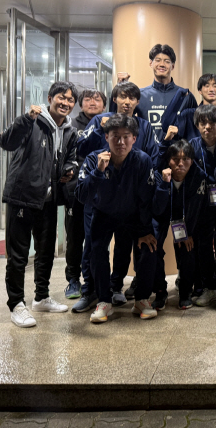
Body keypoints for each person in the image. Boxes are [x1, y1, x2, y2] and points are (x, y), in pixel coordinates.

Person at [0, 82, 79, 328]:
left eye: (70, 100)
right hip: (22, 196)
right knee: (18, 256)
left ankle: (41, 297)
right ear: (49, 98)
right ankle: (16, 305)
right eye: (61, 98)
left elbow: (71, 159)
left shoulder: (69, 130)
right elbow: (6, 142)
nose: (65, 103)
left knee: (46, 252)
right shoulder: (32, 121)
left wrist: (69, 170)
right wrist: (25, 119)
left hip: (49, 200)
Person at [74, 81, 159, 312]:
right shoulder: (95, 159)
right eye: (115, 137)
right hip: (103, 211)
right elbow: (82, 194)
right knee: (95, 248)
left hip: (132, 213)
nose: (120, 142)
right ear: (107, 137)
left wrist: (144, 229)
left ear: (134, 138)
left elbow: (146, 196)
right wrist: (99, 172)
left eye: (126, 137)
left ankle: (139, 298)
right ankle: (101, 299)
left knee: (149, 244)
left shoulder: (141, 160)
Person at [152, 139, 208, 310]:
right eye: (176, 159)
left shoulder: (198, 176)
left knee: (187, 248)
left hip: (184, 218)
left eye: (186, 159)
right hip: (161, 215)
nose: (181, 164)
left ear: (192, 160)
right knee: (153, 248)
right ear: (169, 160)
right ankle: (160, 291)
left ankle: (185, 291)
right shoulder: (158, 174)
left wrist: (188, 233)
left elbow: (196, 208)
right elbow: (156, 207)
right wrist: (164, 183)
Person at [187, 105, 216, 307]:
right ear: (197, 125)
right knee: (204, 246)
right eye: (202, 123)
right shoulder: (191, 146)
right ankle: (209, 287)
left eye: (212, 123)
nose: (207, 127)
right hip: (202, 205)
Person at [64, 88, 107, 300]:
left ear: (105, 105)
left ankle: (93, 282)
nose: (92, 102)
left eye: (97, 99)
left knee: (93, 239)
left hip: (98, 192)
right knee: (74, 237)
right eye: (87, 99)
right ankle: (73, 280)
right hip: (75, 189)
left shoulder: (108, 122)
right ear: (81, 104)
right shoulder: (71, 125)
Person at [116, 43, 197, 137]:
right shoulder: (140, 95)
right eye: (158, 60)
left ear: (173, 66)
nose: (162, 64)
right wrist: (120, 88)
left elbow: (195, 128)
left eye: (167, 61)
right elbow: (121, 120)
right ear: (151, 63)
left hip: (178, 151)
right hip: (148, 151)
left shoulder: (185, 96)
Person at [161, 73, 216, 142]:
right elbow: (166, 127)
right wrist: (178, 97)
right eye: (207, 86)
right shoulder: (188, 115)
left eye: (215, 86)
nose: (211, 90)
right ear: (200, 90)